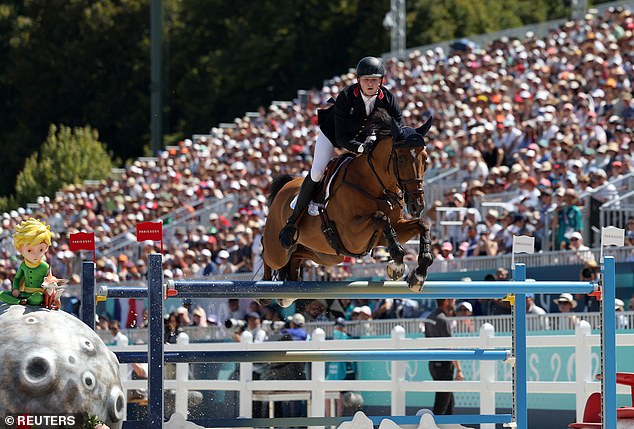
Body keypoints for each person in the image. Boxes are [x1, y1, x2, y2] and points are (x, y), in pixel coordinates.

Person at [279, 56, 403, 248]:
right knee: (318, 171)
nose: (370, 83)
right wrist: (361, 148)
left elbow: (398, 128)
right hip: (333, 135)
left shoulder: (387, 99)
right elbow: (342, 138)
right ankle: (293, 221)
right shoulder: (347, 96)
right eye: (366, 80)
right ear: (358, 80)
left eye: (374, 79)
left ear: (381, 81)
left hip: (365, 140)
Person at [0, 218, 54, 306]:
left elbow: (49, 280)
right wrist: (15, 289)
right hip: (24, 293)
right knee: (1, 294)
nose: (36, 254)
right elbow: (17, 278)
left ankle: (25, 301)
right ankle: (19, 301)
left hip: (37, 294)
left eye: (41, 249)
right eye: (29, 250)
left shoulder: (45, 266)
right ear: (20, 249)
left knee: (37, 299)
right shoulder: (23, 265)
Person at [424, 299, 464, 415]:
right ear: (447, 301)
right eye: (453, 300)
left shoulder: (429, 318)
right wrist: (459, 369)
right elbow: (450, 347)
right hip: (444, 364)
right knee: (442, 403)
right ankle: (433, 425)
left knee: (448, 401)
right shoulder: (442, 319)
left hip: (433, 363)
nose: (454, 302)